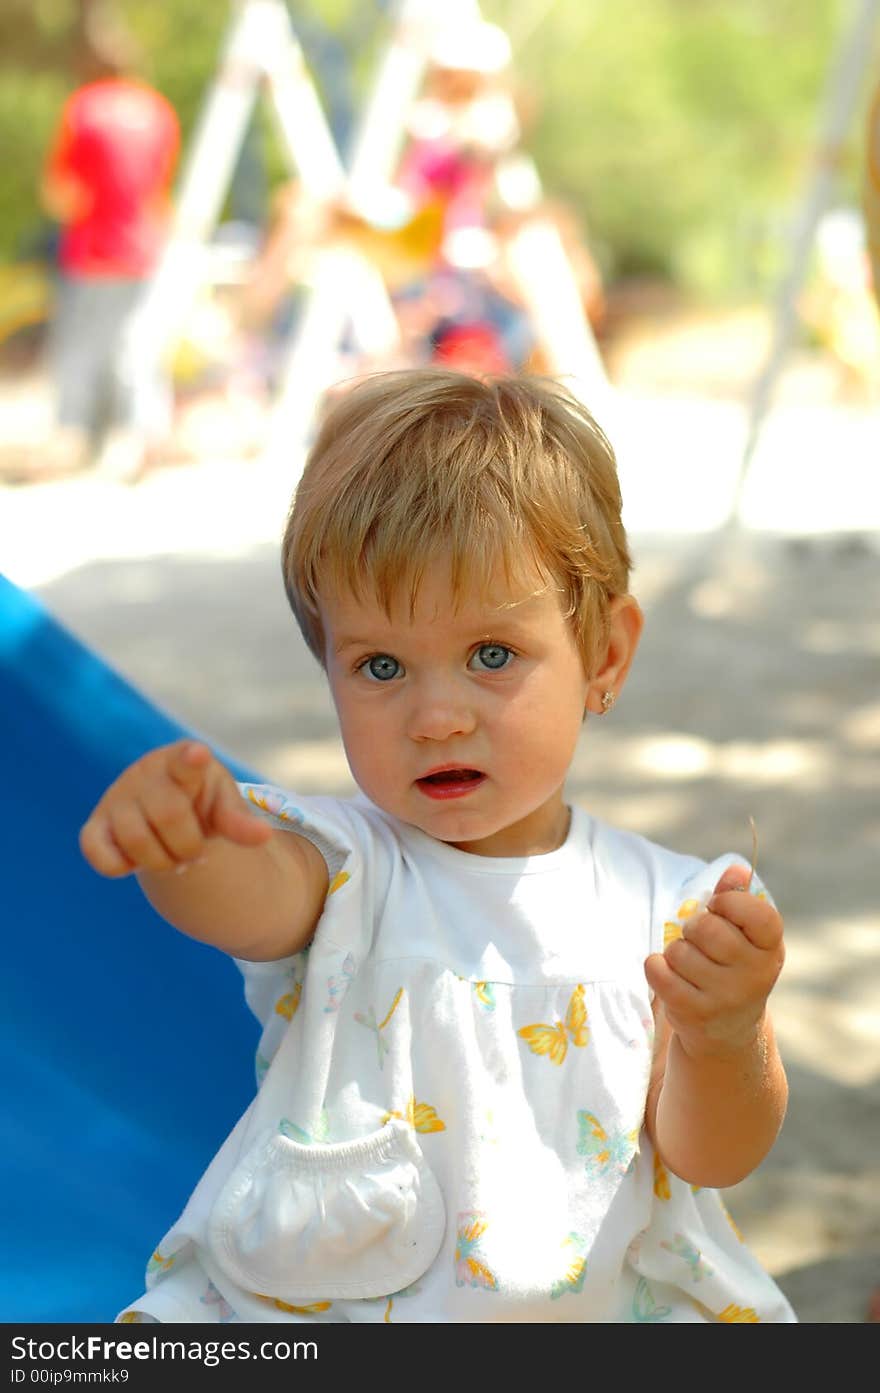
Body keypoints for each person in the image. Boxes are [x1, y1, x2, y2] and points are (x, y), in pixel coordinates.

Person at [79, 368, 796, 1323]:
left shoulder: (670, 912)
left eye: (492, 655)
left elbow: (714, 1154)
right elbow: (248, 893)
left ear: (606, 656)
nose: (437, 715)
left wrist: (723, 1034)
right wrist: (185, 844)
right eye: (380, 665)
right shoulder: (344, 865)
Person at [39, 22, 179, 482]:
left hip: (93, 250)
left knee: (81, 347)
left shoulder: (84, 109)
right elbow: (159, 185)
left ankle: (75, 438)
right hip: (144, 245)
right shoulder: (157, 110)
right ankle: (141, 436)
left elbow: (63, 194)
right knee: (136, 345)